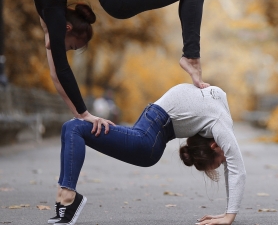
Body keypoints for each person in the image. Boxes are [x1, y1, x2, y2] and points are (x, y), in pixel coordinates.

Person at [32, 0, 209, 133]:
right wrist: (82, 114)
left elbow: (61, 70)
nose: (65, 50)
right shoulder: (49, 12)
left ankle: (191, 58)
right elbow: (56, 74)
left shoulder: (52, 12)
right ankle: (191, 57)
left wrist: (82, 114)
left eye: (71, 47)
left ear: (68, 27)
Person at [47, 84, 246, 225]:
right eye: (220, 162)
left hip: (152, 128)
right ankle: (67, 199)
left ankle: (66, 198)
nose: (225, 162)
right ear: (214, 146)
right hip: (149, 136)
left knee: (73, 128)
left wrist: (228, 213)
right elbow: (237, 169)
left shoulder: (218, 101)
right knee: (71, 128)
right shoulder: (221, 125)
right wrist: (230, 216)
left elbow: (232, 168)